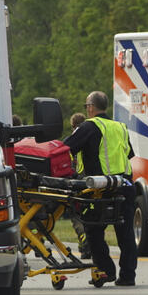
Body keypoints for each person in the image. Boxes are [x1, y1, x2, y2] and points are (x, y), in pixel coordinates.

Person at [63, 91, 138, 287]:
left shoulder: (89, 126)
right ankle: (128, 276)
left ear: (90, 107)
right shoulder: (120, 127)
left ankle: (105, 271)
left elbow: (67, 147)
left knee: (94, 230)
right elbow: (129, 153)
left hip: (100, 188)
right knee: (126, 233)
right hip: (124, 185)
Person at [67, 111, 90, 259]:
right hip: (91, 181)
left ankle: (84, 244)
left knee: (76, 217)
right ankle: (87, 244)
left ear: (73, 126)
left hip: (76, 182)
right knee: (89, 215)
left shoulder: (71, 140)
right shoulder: (90, 135)